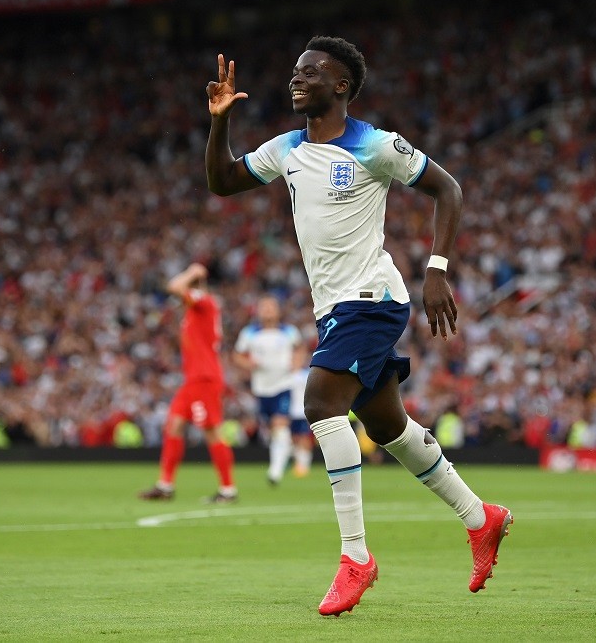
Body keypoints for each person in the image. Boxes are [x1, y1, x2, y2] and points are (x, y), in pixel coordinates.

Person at [204, 36, 512, 616]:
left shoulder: (375, 145)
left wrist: (438, 269)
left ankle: (356, 558)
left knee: (320, 402)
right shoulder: (287, 149)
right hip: (334, 310)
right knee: (389, 427)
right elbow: (222, 182)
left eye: (310, 73)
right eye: (295, 71)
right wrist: (220, 122)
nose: (296, 80)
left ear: (340, 86)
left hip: (372, 298)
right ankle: (481, 516)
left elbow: (448, 188)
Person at [139, 263, 237, 503]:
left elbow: (174, 286)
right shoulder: (196, 310)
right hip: (193, 379)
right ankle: (165, 486)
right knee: (173, 426)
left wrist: (193, 272)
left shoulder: (204, 302)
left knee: (212, 431)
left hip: (204, 378)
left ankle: (228, 489)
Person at [232, 295, 304, 485]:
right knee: (273, 428)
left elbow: (300, 349)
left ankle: (275, 471)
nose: (268, 311)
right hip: (262, 387)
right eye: (264, 307)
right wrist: (249, 363)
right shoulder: (250, 333)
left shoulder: (289, 331)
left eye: (271, 307)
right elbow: (237, 355)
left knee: (280, 424)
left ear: (278, 311)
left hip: (284, 385)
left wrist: (296, 365)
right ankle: (283, 453)